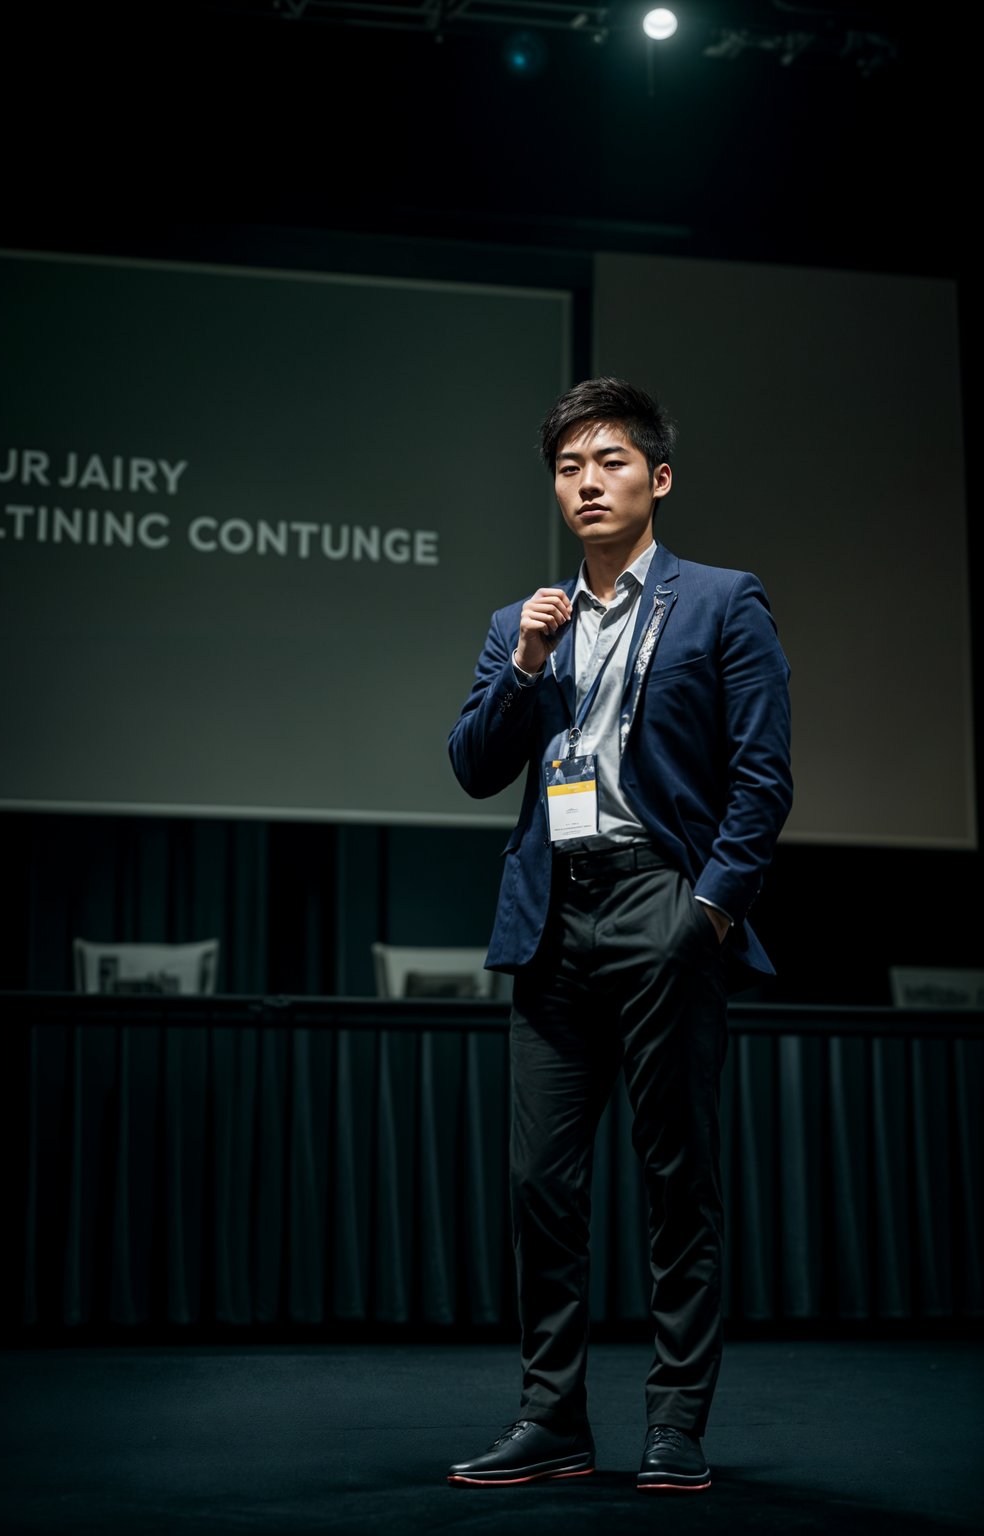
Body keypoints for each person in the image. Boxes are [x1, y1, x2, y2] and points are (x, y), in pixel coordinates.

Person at [446, 377, 792, 1492]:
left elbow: (761, 774)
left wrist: (712, 910)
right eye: (567, 468)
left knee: (675, 1178)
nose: (586, 484)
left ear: (658, 478)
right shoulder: (521, 622)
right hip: (551, 910)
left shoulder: (721, 601)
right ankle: (551, 1419)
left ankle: (673, 1424)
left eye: (608, 462)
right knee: (539, 1185)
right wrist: (529, 665)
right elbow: (473, 766)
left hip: (661, 899)